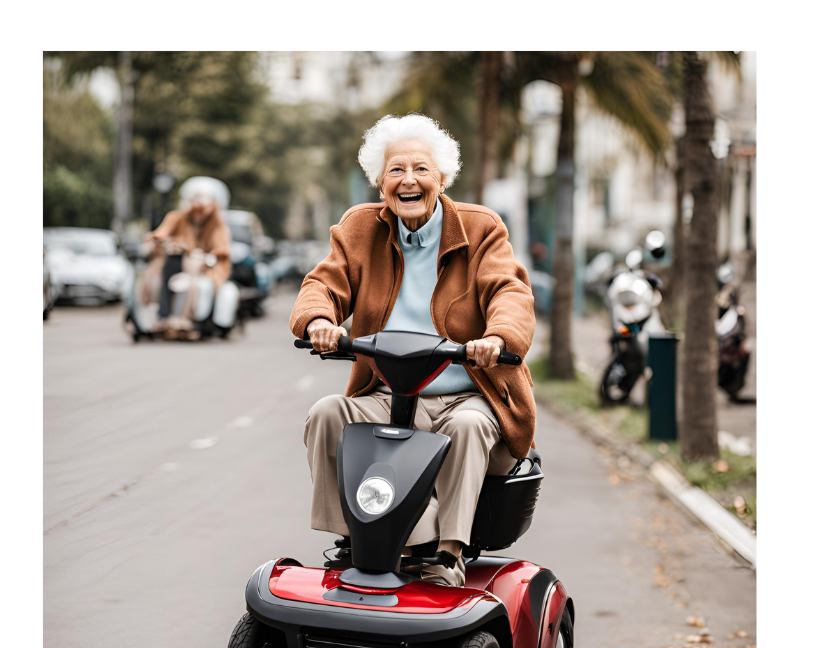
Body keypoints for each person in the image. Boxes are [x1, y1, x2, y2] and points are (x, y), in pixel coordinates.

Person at [290, 114, 537, 587]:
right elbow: (322, 284)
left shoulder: (481, 228)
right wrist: (319, 321)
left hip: (470, 394)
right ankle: (351, 538)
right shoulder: (360, 227)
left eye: (421, 169)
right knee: (327, 413)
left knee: (466, 426)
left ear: (441, 179)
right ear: (380, 181)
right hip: (392, 394)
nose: (408, 180)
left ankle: (448, 553)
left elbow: (510, 292)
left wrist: (497, 338)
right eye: (396, 170)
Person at [137, 176, 239, 338]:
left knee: (197, 284)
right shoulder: (177, 217)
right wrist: (162, 242)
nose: (199, 209)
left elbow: (221, 249)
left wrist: (207, 257)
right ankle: (161, 316)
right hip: (175, 262)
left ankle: (186, 318)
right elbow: (161, 233)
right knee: (155, 278)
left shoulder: (218, 225)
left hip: (201, 267)